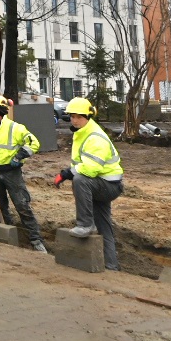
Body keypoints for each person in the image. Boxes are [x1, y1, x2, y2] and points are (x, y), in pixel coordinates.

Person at [52, 97, 123, 271]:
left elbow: (90, 169)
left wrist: (68, 173)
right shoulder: (83, 132)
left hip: (108, 186)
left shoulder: (95, 137)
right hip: (101, 183)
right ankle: (111, 266)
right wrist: (68, 172)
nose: (75, 120)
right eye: (72, 116)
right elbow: (82, 164)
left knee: (80, 180)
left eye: (78, 117)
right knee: (104, 226)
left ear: (88, 116)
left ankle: (85, 224)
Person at [0, 95, 46, 252]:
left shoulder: (15, 128)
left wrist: (19, 155)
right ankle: (7, 233)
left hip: (11, 173)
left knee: (21, 205)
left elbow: (34, 143)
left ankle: (35, 239)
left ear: (0, 109)